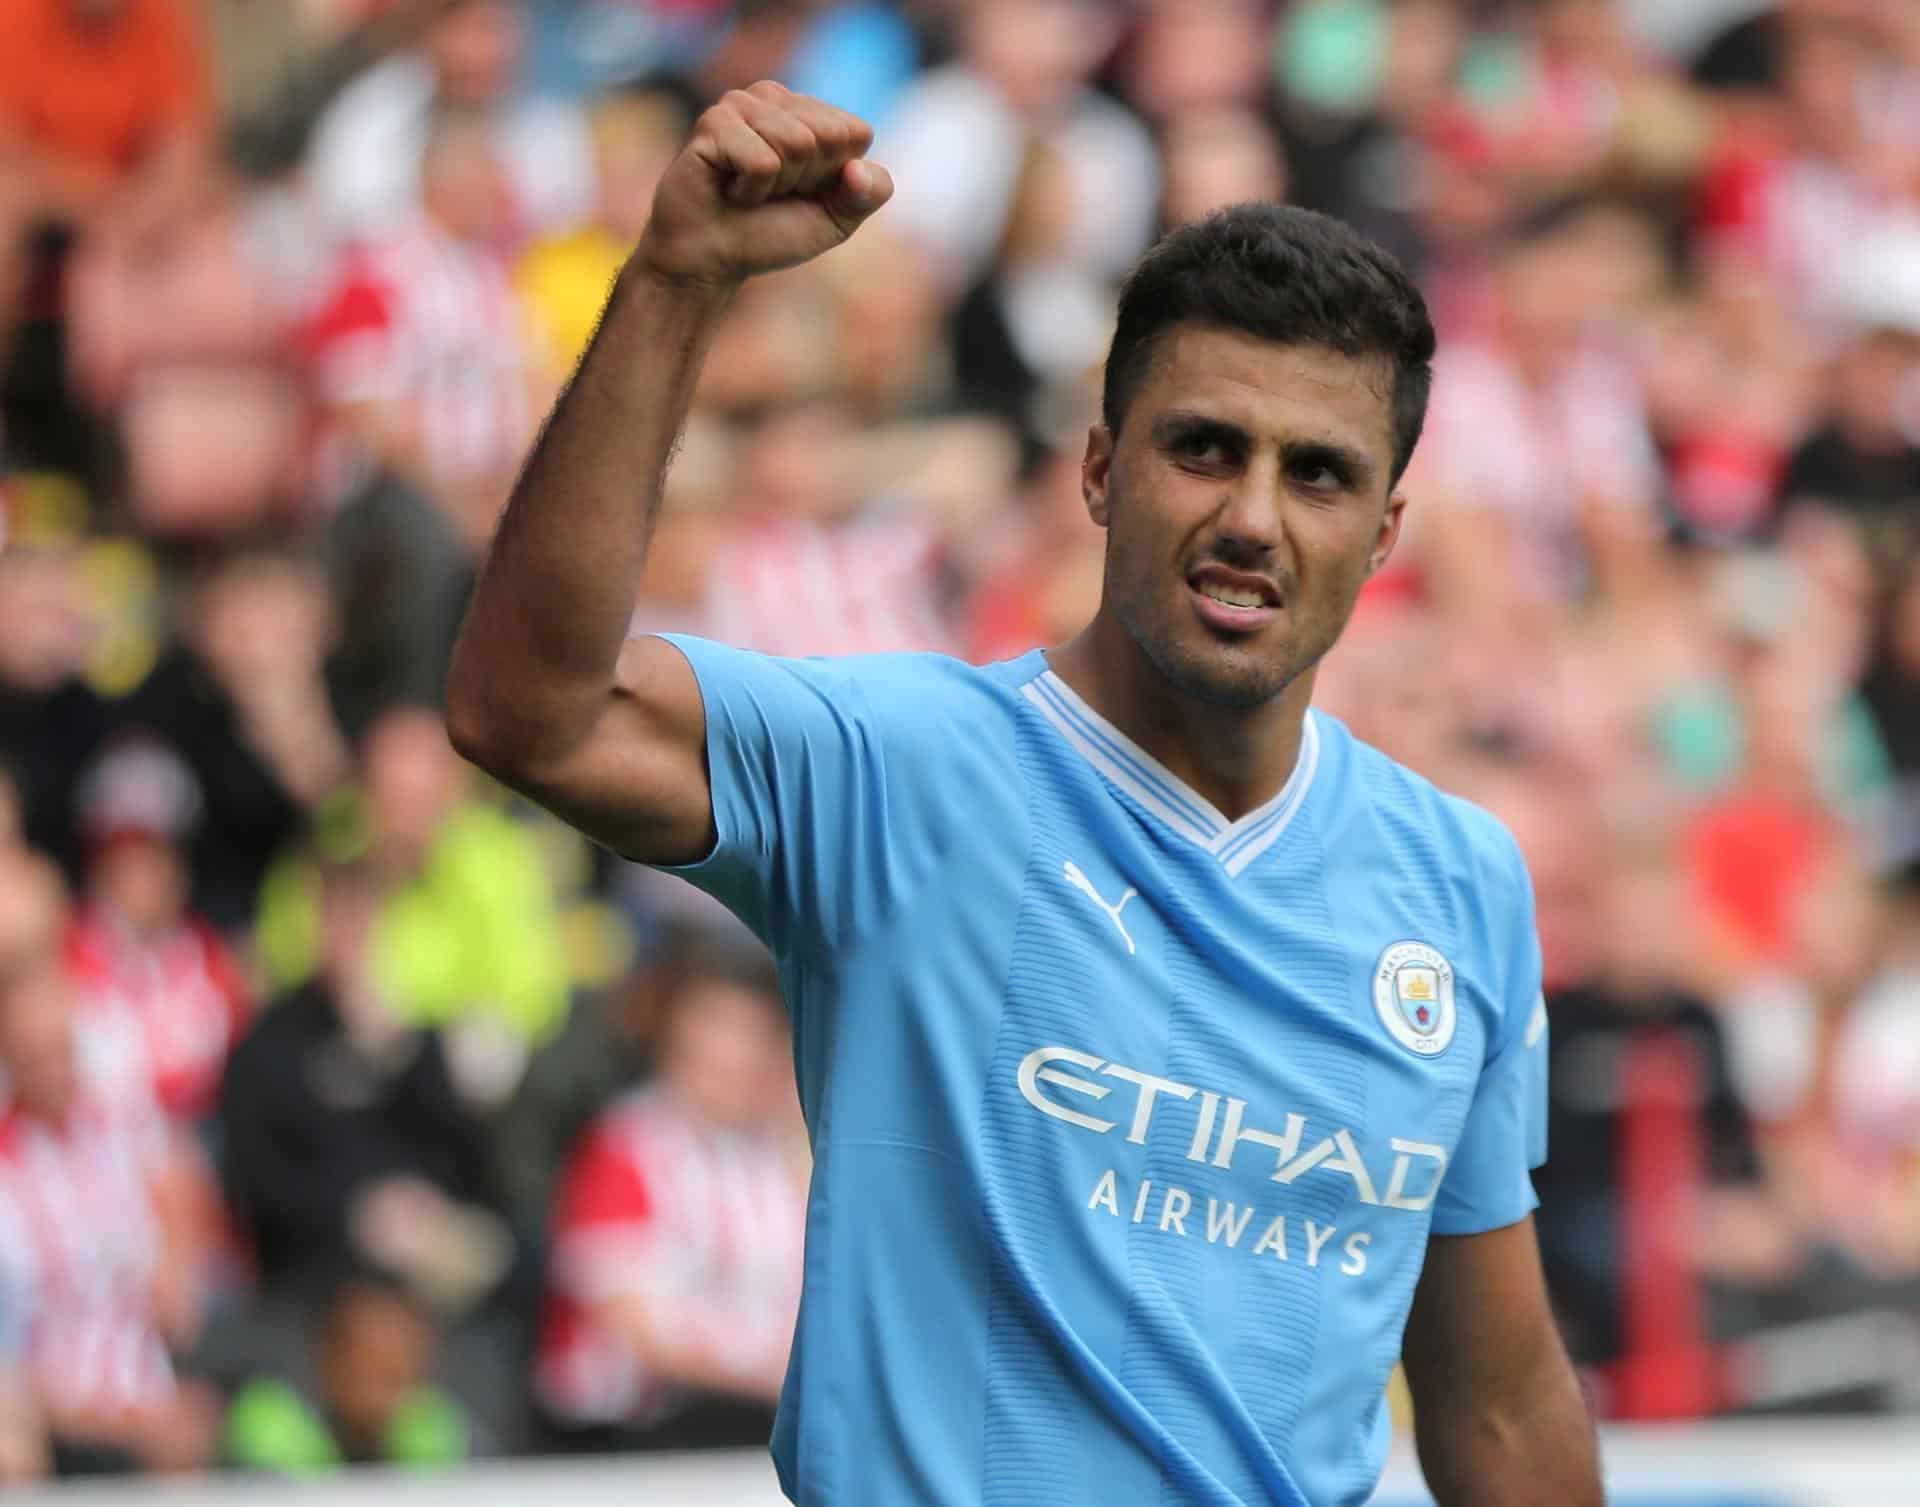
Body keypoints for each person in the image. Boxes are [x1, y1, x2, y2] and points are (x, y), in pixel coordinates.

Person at [447, 82, 1602, 1507]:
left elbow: (1497, 1407)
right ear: (1102, 473)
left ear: (1383, 535)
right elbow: (529, 713)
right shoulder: (902, 768)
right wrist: (678, 284)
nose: (1252, 515)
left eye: (1317, 475)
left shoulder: (1459, 883)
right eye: (1203, 448)